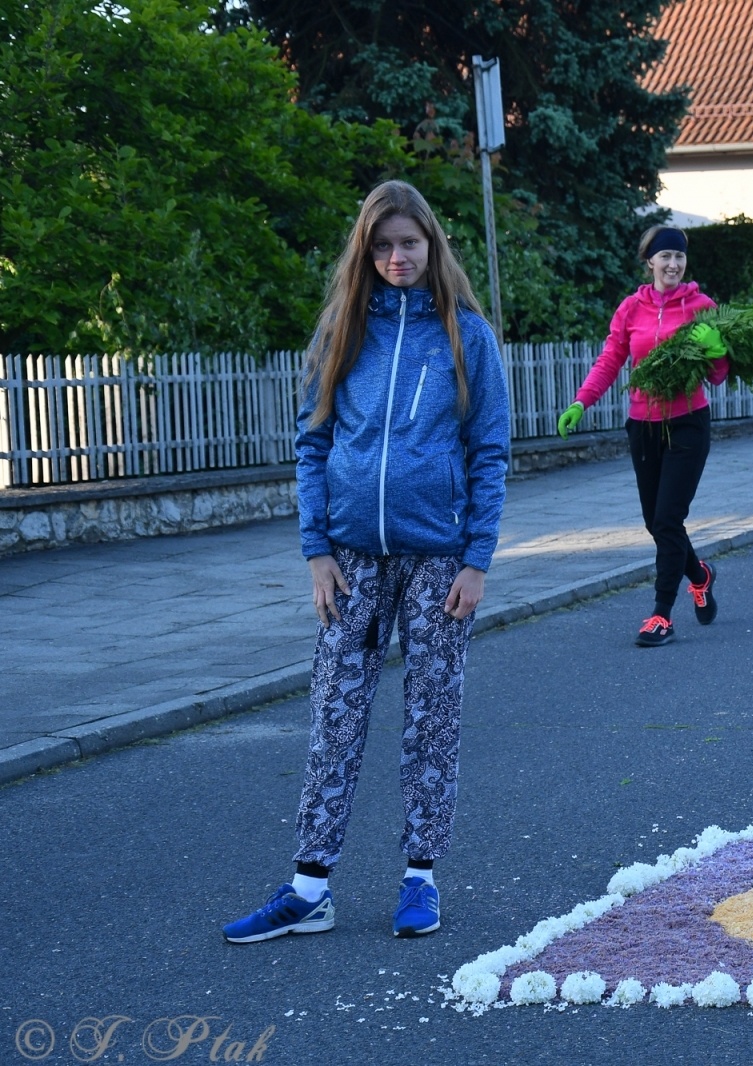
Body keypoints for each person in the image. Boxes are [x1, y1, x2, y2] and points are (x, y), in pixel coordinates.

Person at [223, 180, 510, 943]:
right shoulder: (342, 332)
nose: (395, 257)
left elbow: (490, 453)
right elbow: (311, 444)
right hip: (351, 559)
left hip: (438, 560)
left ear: (431, 244)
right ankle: (309, 887)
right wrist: (316, 551)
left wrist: (476, 558)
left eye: (407, 243)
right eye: (381, 245)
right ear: (366, 250)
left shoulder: (466, 337)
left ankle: (421, 879)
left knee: (431, 719)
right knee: (335, 716)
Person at [556, 225, 728, 648]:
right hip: (643, 425)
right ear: (649, 261)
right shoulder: (630, 309)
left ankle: (661, 615)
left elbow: (719, 376)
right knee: (657, 522)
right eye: (664, 256)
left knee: (668, 518)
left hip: (688, 422)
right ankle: (700, 575)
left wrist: (716, 348)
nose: (673, 264)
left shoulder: (702, 306)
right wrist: (582, 402)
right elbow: (610, 360)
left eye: (679, 257)